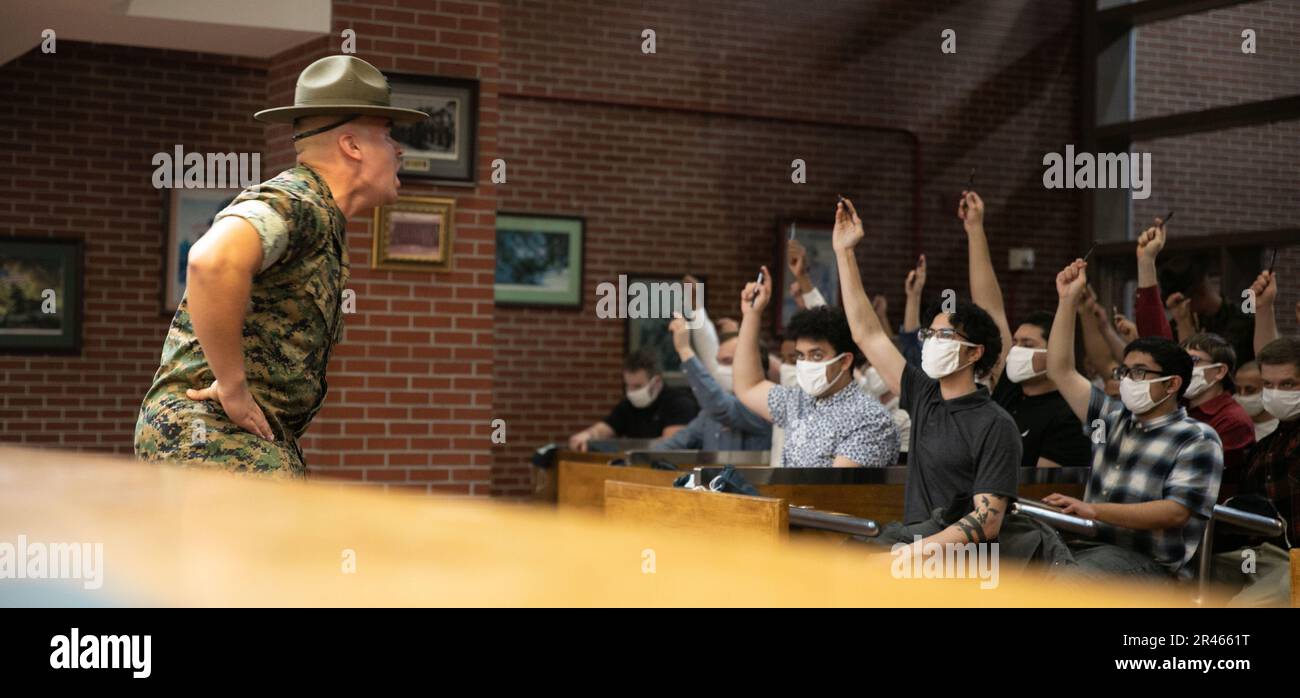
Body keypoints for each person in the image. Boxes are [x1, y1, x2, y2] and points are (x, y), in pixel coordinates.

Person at [134, 56, 428, 478]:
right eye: (387, 135)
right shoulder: (300, 202)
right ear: (353, 146)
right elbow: (210, 261)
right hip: (216, 439)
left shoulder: (321, 215)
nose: (398, 150)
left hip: (236, 442)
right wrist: (233, 389)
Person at [834, 196, 1020, 549]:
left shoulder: (996, 424)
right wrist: (844, 253)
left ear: (975, 352)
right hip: (912, 544)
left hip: (960, 560)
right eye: (929, 334)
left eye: (945, 335)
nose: (933, 342)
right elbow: (867, 333)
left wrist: (916, 553)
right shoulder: (924, 395)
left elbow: (988, 519)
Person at [1042, 259, 1223, 579]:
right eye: (1125, 371)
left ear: (1171, 384)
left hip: (1150, 565)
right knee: (1006, 562)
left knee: (1065, 582)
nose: (1127, 380)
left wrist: (1095, 510)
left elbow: (1175, 512)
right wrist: (1067, 300)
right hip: (1087, 547)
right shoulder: (1111, 417)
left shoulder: (1197, 438)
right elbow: (1060, 370)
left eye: (1139, 372)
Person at [959, 190, 1090, 468]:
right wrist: (974, 229)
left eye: (1027, 345)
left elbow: (1043, 492)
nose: (1015, 350)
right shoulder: (1010, 389)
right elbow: (991, 309)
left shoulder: (1069, 413)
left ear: (1054, 351)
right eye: (1016, 342)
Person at [732, 270, 898, 468]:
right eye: (801, 355)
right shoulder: (798, 401)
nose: (806, 363)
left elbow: (837, 490)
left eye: (817, 355)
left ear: (844, 361)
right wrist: (752, 314)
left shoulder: (870, 420)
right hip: (789, 497)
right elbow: (748, 385)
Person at [653, 315, 771, 451]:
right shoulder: (709, 414)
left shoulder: (764, 406)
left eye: (727, 361)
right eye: (718, 363)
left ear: (754, 364)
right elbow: (676, 443)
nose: (719, 370)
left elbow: (721, 405)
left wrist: (684, 350)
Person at [567, 350, 698, 451]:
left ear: (656, 382)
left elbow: (671, 445)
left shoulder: (680, 403)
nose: (631, 392)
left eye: (637, 386)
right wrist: (588, 436)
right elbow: (606, 428)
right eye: (627, 385)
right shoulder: (628, 405)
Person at [1233, 361, 1279, 442]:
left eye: (1250, 390)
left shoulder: (1283, 429)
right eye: (1238, 390)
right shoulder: (1235, 426)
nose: (1242, 395)